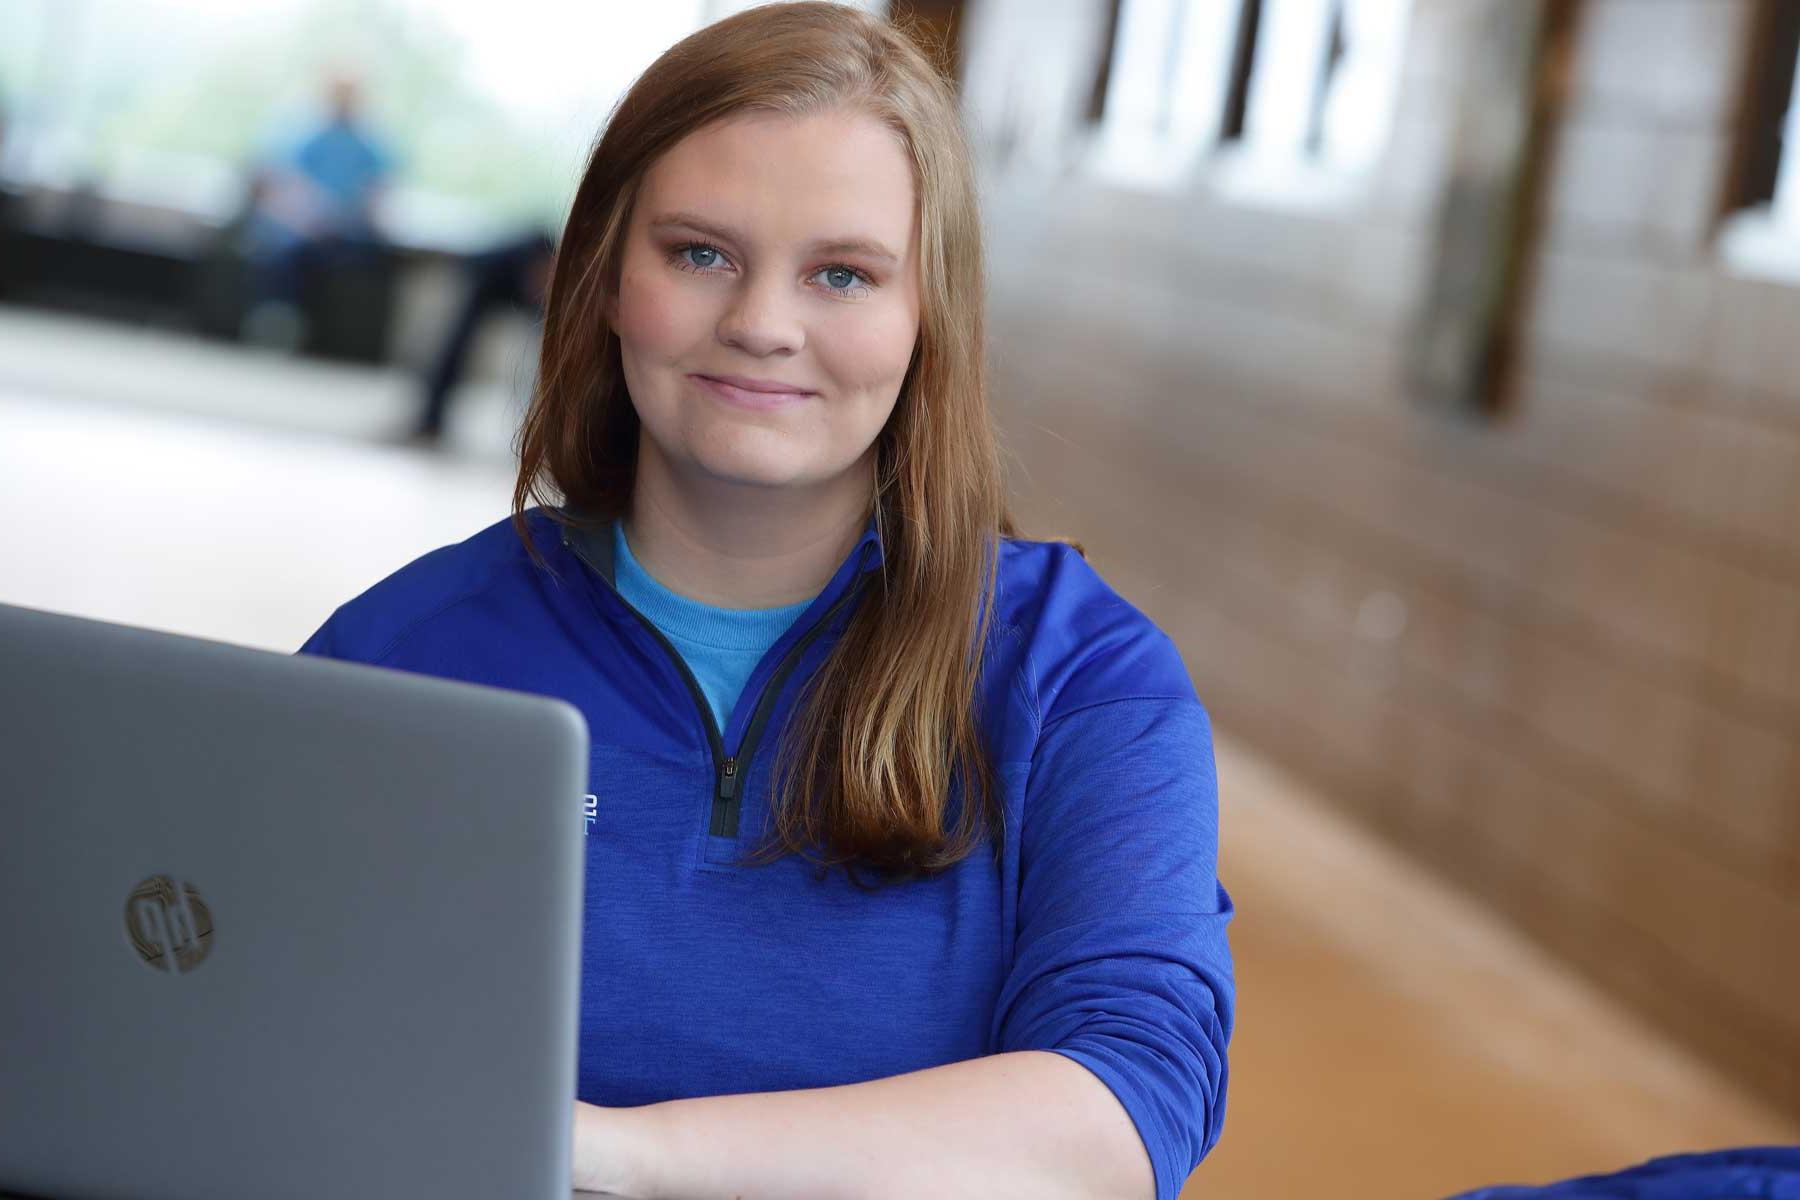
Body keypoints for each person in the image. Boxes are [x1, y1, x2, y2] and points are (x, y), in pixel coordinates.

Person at [295, 4, 1234, 1197]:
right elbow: (248, 1037)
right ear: (604, 277)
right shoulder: (402, 651)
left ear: (925, 317)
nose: (762, 327)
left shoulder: (1077, 673)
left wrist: (616, 1156)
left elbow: (1125, 1109)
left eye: (842, 274)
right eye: (700, 253)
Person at [237, 72, 396, 350]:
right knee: (288, 252)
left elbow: (377, 196)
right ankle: (279, 325)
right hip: (303, 228)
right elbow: (285, 188)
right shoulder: (305, 137)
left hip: (348, 232)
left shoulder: (372, 147)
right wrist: (308, 220)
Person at [403, 226, 557, 445]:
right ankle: (430, 420)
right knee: (454, 349)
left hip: (520, 289)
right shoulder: (496, 266)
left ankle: (548, 433)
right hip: (487, 284)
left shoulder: (549, 264)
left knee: (552, 351)